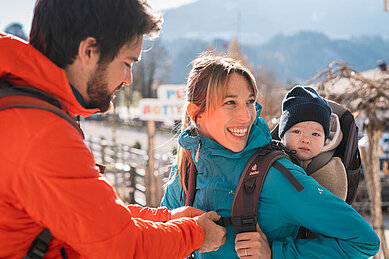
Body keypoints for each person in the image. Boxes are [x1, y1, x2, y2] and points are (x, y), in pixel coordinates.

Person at [0, 0, 226, 258]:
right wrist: (195, 235)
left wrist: (164, 218)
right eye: (127, 63)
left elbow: (90, 215)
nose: (128, 80)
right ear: (88, 51)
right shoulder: (41, 133)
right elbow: (121, 246)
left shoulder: (20, 102)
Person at [161, 53, 380, 258]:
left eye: (250, 101)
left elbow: (364, 241)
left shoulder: (274, 177)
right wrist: (178, 230)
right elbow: (158, 244)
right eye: (230, 102)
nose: (246, 115)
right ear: (196, 114)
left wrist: (276, 253)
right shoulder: (185, 169)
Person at [279, 85, 348, 200]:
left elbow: (333, 208)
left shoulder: (331, 167)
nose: (306, 139)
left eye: (315, 134)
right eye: (297, 131)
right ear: (282, 137)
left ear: (324, 140)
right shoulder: (272, 160)